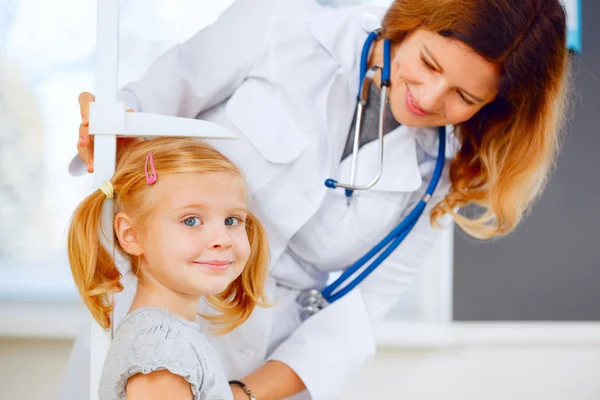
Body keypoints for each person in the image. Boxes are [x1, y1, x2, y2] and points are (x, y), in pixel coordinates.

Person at [65, 0, 570, 399]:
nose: (431, 98)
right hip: (152, 314)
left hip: (262, 361)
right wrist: (108, 124)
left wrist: (244, 394)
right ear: (409, 20)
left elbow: (356, 316)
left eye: (466, 98)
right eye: (429, 62)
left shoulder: (442, 172)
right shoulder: (281, 26)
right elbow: (144, 113)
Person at [67, 137, 270, 399]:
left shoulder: (170, 338)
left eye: (232, 220)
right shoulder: (161, 349)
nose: (223, 239)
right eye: (191, 220)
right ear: (132, 235)